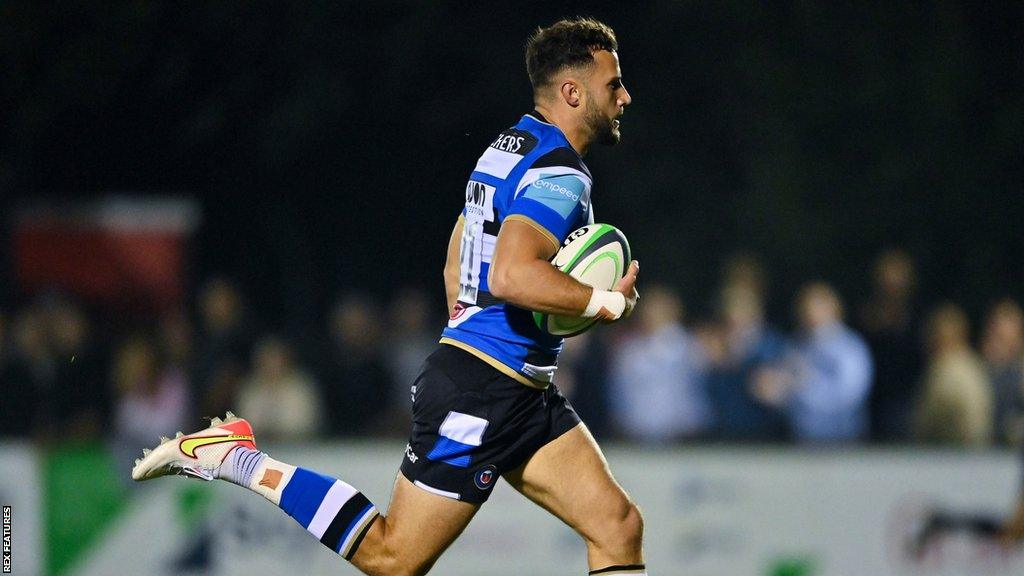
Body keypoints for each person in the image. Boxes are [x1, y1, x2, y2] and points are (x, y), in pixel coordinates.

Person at [132, 17, 645, 576]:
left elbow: (459, 258)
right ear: (572, 92)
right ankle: (233, 458)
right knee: (394, 557)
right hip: (483, 391)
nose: (624, 95)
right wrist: (603, 304)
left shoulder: (510, 146)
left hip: (515, 390)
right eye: (612, 84)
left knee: (617, 526)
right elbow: (511, 277)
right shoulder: (563, 172)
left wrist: (473, 330)